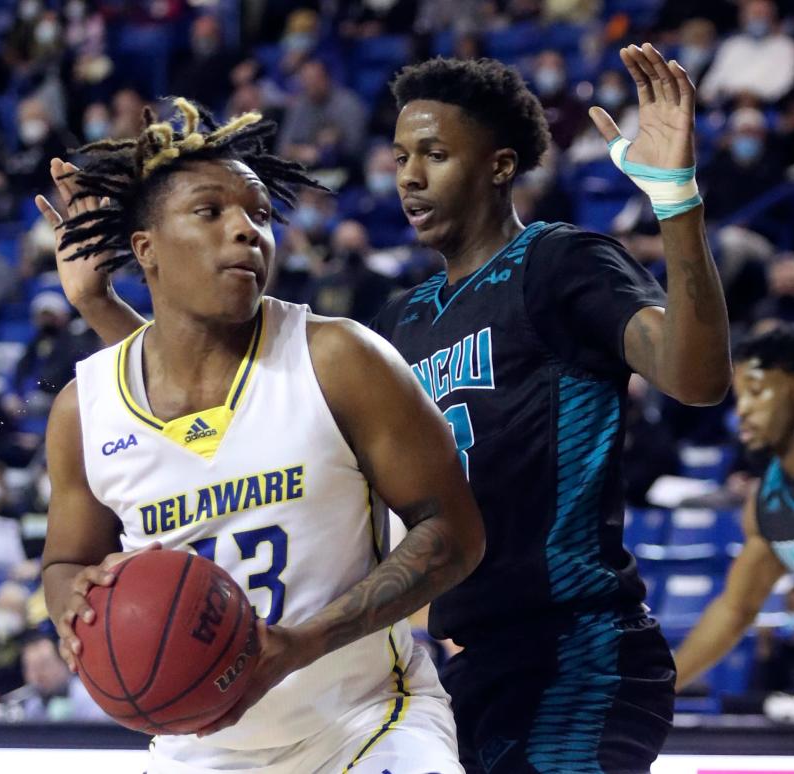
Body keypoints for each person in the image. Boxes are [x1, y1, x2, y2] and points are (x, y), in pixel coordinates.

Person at [54, 46, 731, 773]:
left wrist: (676, 202)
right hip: (464, 660)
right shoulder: (399, 323)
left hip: (575, 643)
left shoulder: (557, 264)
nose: (408, 174)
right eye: (402, 155)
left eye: (435, 154)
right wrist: (104, 307)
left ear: (500, 165)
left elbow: (694, 377)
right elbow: (241, 415)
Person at [35, 98, 484, 772]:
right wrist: (77, 610)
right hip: (198, 749)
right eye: (211, 212)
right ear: (145, 249)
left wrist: (300, 644)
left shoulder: (339, 360)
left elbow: (455, 535)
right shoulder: (85, 410)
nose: (247, 231)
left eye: (261, 214)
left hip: (365, 726)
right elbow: (66, 563)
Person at [674, 324, 794, 774]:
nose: (742, 411)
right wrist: (660, 686)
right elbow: (735, 609)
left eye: (757, 392)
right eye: (738, 397)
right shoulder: (766, 502)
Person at [2, 632, 109, 722]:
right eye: (31, 668)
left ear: (64, 663)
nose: (39, 675)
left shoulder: (89, 697)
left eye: (44, 665)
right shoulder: (32, 705)